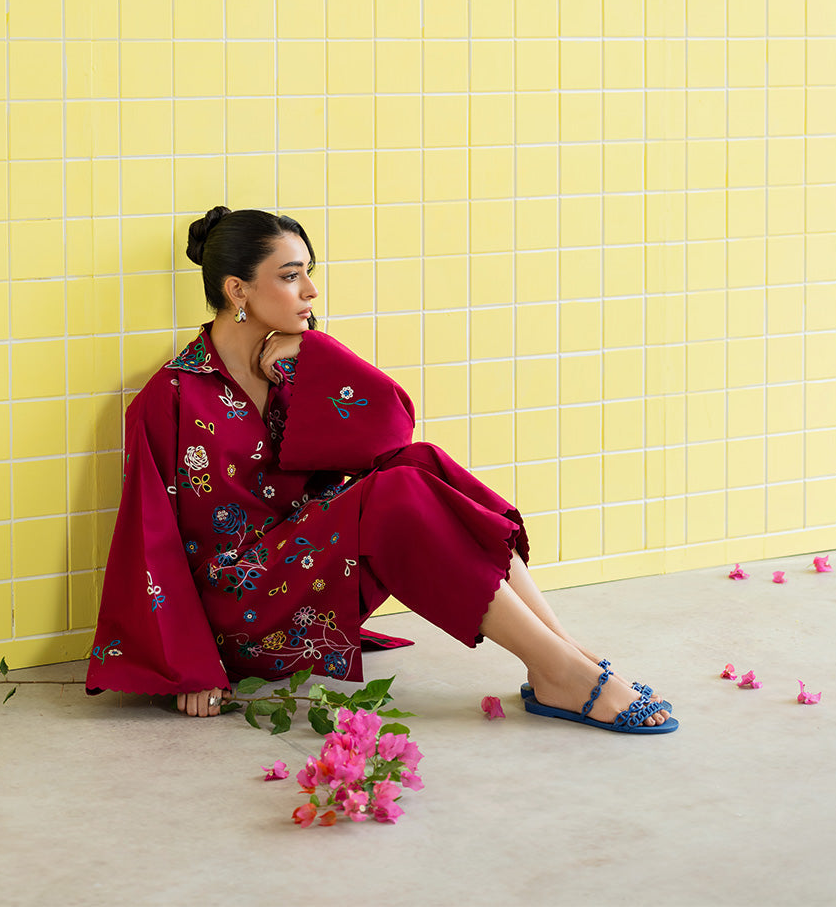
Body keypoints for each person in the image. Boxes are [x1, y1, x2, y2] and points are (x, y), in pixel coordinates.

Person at [86, 207, 676, 734]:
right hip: (241, 608)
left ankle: (564, 655)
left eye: (309, 272)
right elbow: (148, 537)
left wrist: (317, 354)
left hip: (306, 573)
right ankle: (563, 671)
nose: (311, 290)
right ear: (237, 289)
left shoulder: (294, 369)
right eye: (290, 276)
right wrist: (191, 667)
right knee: (398, 492)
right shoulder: (170, 396)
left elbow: (394, 435)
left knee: (420, 464)